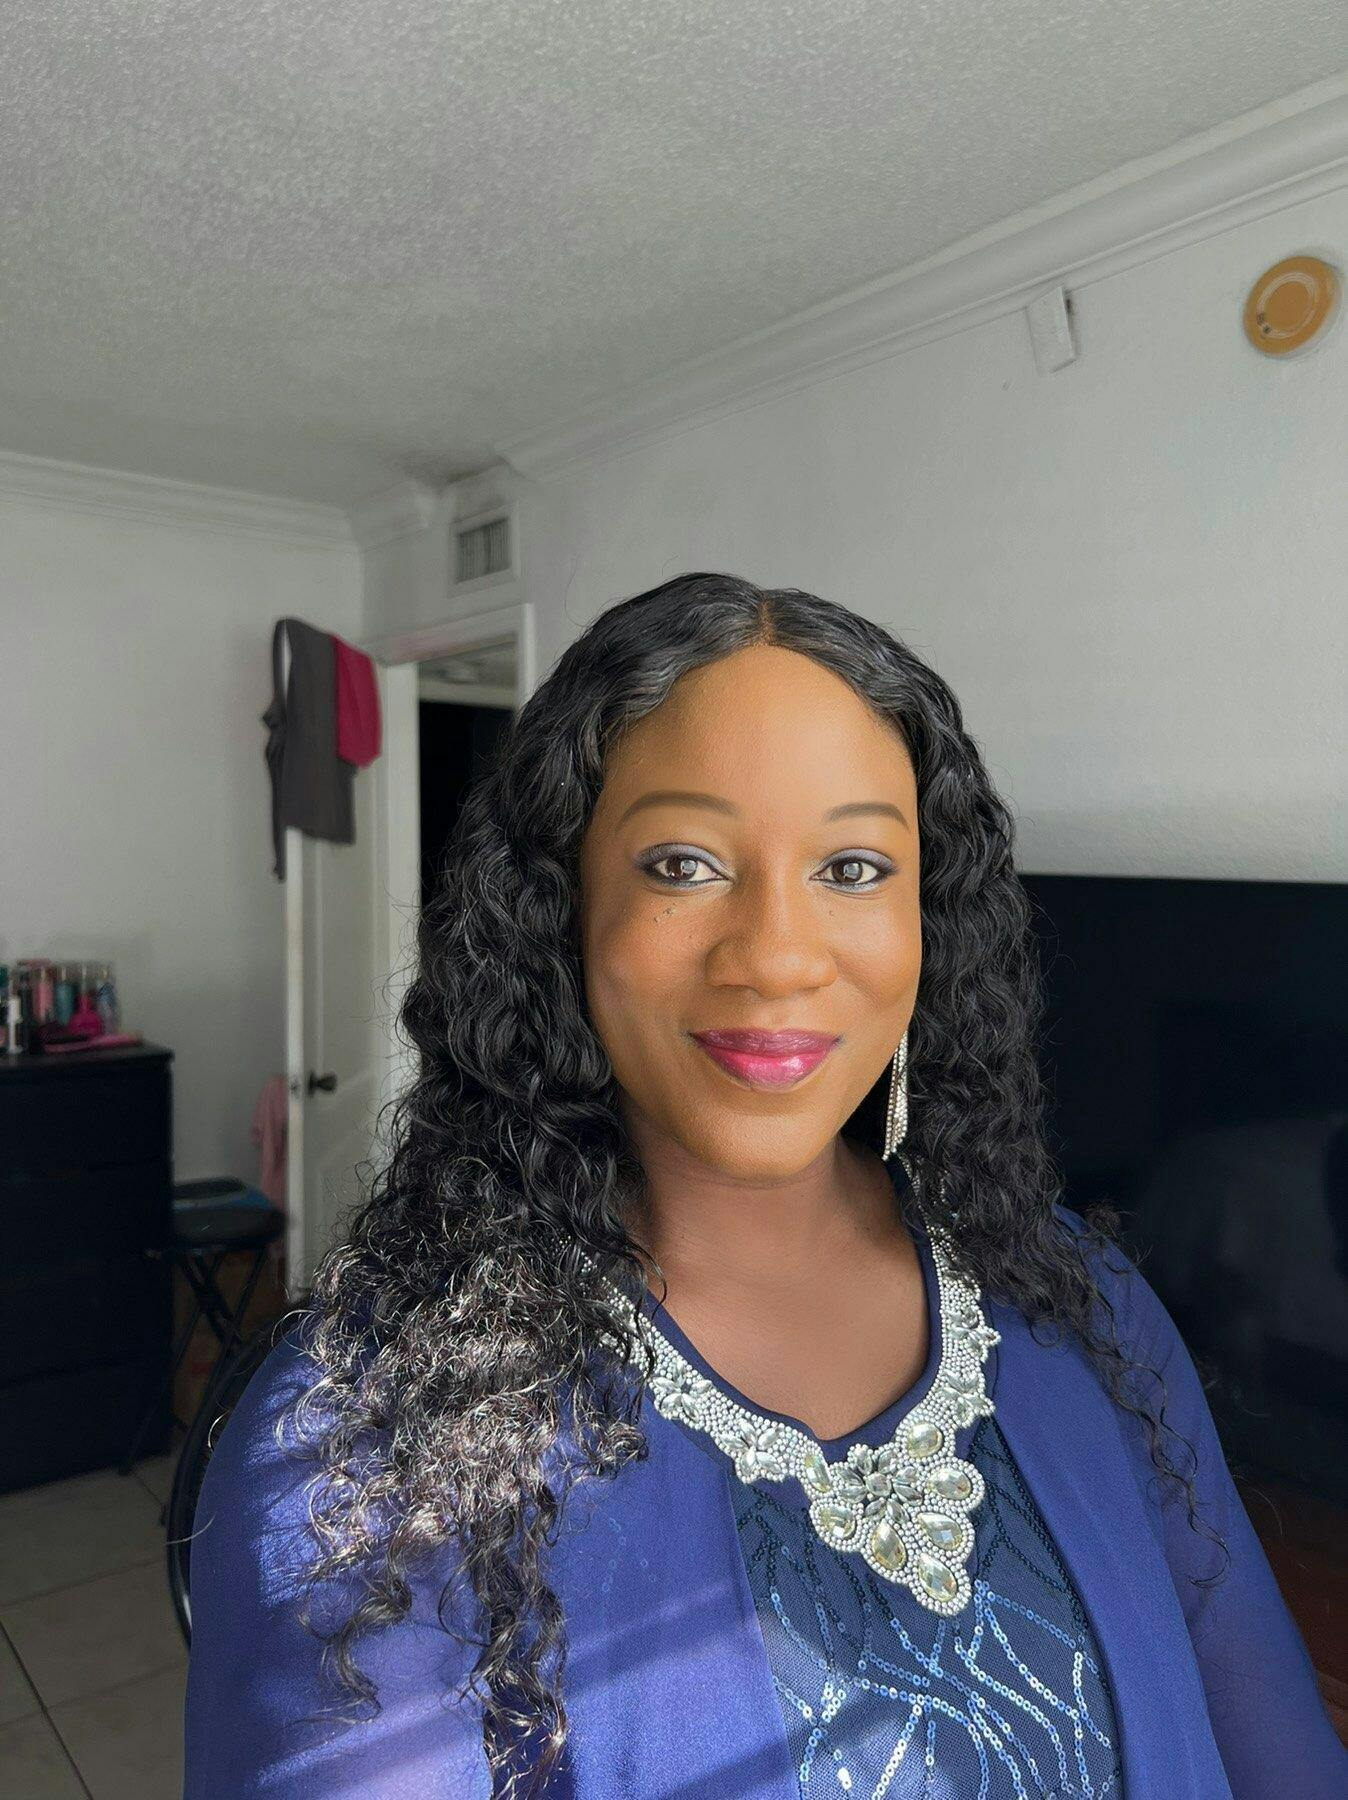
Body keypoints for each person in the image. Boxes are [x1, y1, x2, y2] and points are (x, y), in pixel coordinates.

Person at [183, 573, 1346, 1798]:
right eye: (683, 863)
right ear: (562, 912)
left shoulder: (1084, 1301)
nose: (778, 956)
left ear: (928, 923)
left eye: (852, 866)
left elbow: (1274, 1744)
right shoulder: (370, 1436)